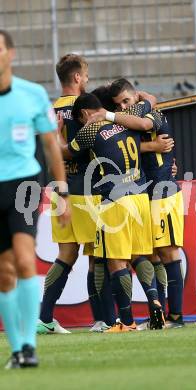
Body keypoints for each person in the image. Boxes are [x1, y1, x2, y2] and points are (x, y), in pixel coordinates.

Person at [63, 93, 167, 330]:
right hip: (140, 196)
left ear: (85, 114)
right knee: (139, 256)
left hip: (114, 200)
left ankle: (127, 322)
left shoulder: (89, 130)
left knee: (116, 262)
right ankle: (155, 301)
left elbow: (66, 152)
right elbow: (150, 101)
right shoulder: (126, 116)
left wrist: (54, 135)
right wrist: (141, 97)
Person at [88, 79, 185, 329]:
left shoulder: (149, 113)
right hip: (146, 193)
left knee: (168, 252)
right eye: (119, 104)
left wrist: (113, 114)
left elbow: (143, 123)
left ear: (136, 98)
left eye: (126, 101)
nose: (123, 107)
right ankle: (160, 315)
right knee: (152, 254)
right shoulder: (127, 119)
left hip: (162, 192)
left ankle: (176, 317)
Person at [0, 30, 70, 369]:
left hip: (22, 186)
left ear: (10, 53)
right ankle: (17, 349)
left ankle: (29, 346)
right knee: (4, 272)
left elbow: (50, 146)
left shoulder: (32, 94)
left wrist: (63, 191)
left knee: (26, 261)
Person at [36, 54, 117, 334]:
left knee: (66, 254)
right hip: (87, 187)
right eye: (86, 74)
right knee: (97, 255)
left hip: (61, 189)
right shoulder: (85, 107)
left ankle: (44, 317)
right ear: (77, 78)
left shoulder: (50, 109)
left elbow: (50, 152)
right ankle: (104, 319)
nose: (88, 79)